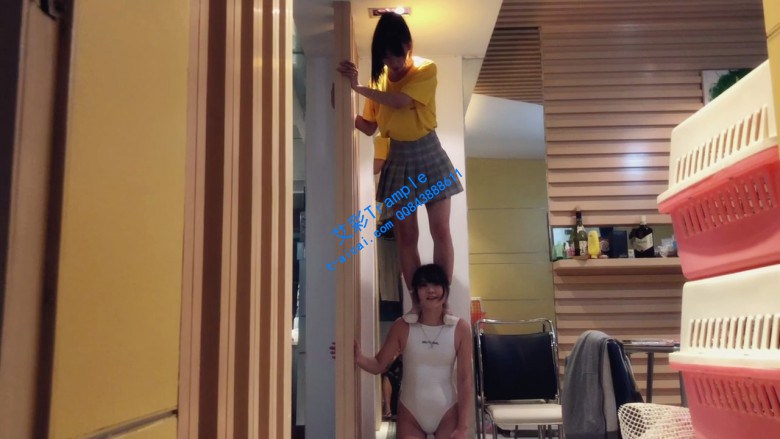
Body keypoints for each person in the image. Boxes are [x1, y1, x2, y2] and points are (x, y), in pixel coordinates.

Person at [337, 12, 463, 291]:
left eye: (397, 55)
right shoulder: (378, 82)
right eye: (385, 57)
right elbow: (369, 127)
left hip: (428, 153)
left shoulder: (425, 69)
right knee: (406, 236)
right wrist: (340, 105)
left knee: (440, 230)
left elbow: (400, 101)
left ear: (409, 45)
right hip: (397, 158)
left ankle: (441, 297)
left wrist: (358, 87)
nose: (392, 63)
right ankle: (418, 300)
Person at [354, 264, 472, 438]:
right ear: (416, 292)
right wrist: (356, 357)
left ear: (445, 289)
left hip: (447, 412)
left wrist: (463, 427)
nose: (430, 290)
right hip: (410, 414)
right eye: (423, 285)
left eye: (436, 284)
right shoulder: (402, 326)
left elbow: (465, 380)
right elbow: (378, 364)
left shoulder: (460, 328)